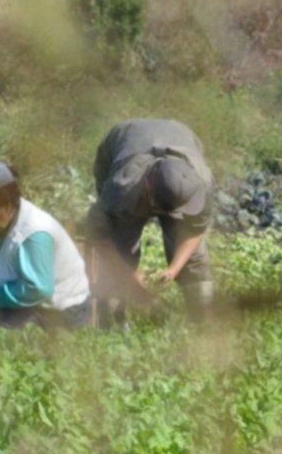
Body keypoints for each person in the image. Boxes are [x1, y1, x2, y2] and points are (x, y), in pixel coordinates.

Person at [87, 118, 214, 323]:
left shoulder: (201, 183)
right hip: (122, 145)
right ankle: (110, 324)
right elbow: (99, 235)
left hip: (180, 133)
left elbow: (195, 230)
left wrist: (173, 270)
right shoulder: (122, 187)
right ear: (147, 188)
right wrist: (129, 273)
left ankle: (203, 323)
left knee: (195, 259)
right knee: (119, 245)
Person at [0, 161, 91, 329]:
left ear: (7, 206)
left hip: (58, 309)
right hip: (20, 297)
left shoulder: (35, 232)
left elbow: (39, 289)